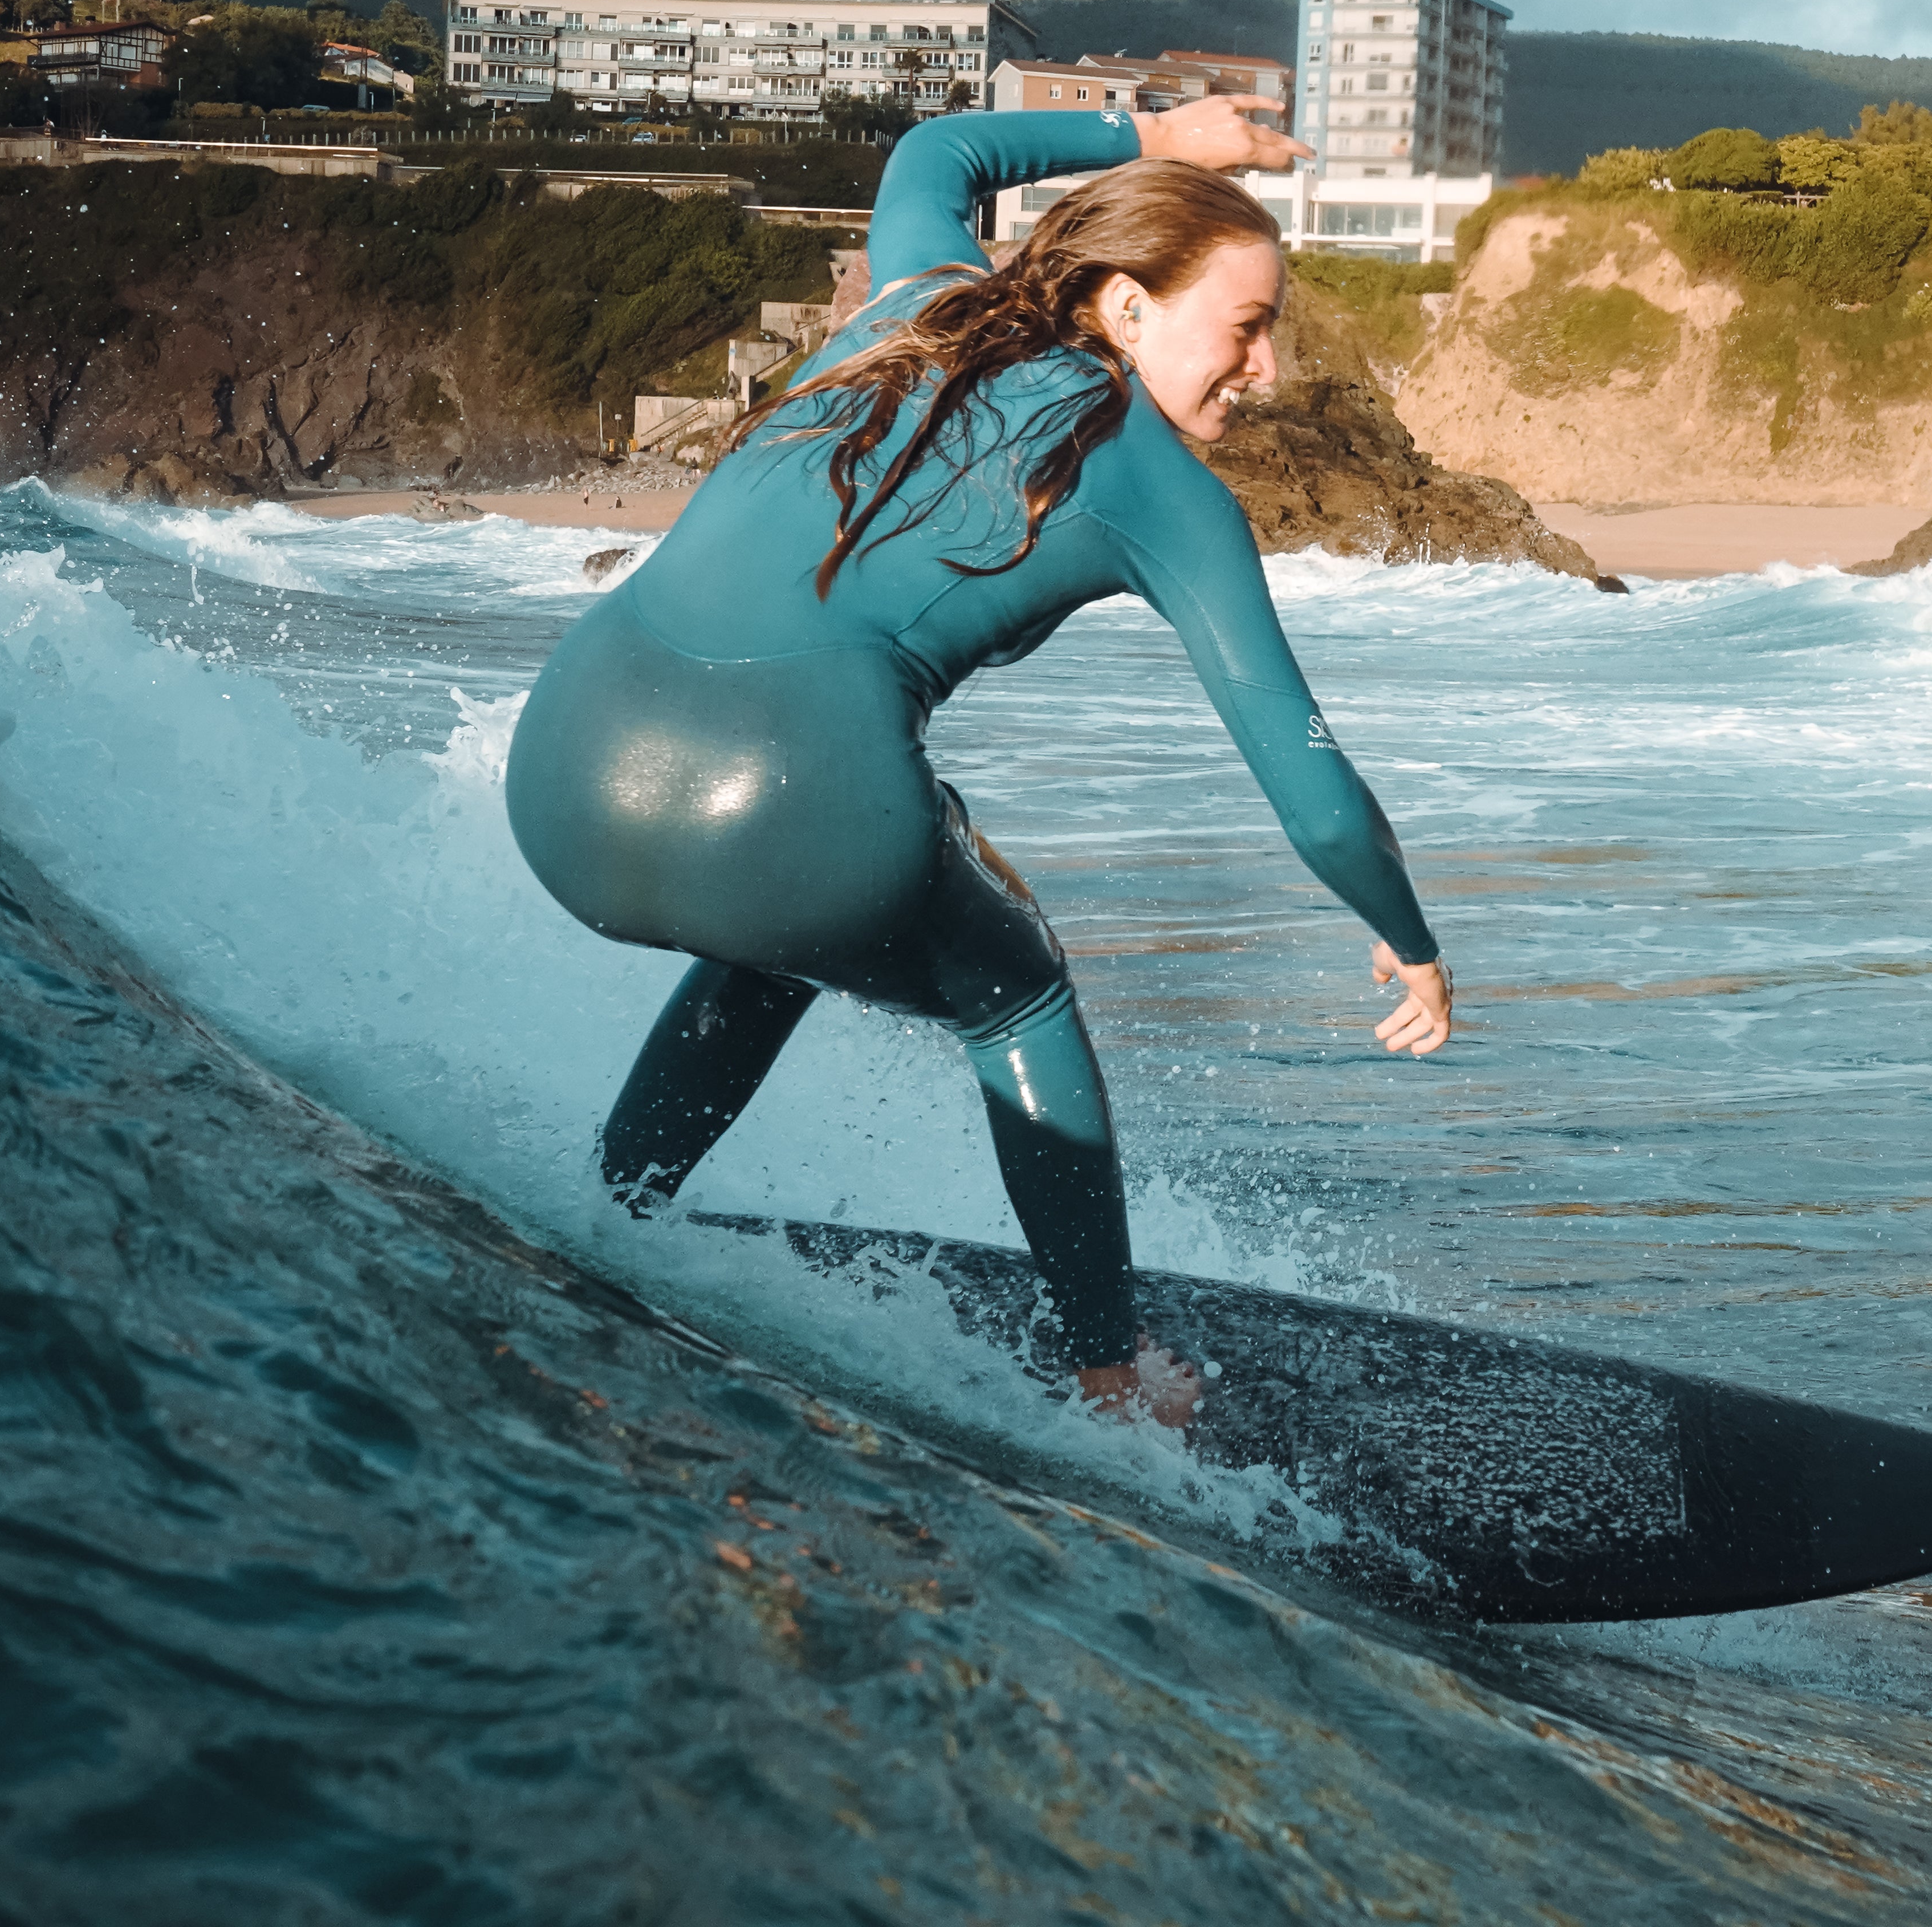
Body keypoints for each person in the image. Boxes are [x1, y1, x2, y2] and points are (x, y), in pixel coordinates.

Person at [503, 97, 1453, 1425]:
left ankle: (611, 1211)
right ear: (1127, 308)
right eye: (1248, 324)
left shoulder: (918, 300)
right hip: (782, 814)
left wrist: (1156, 130)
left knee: (780, 940)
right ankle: (1112, 1375)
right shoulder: (1159, 489)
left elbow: (933, 156)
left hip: (562, 773)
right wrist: (1407, 937)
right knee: (1016, 994)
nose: (1272, 368)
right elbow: (1318, 800)